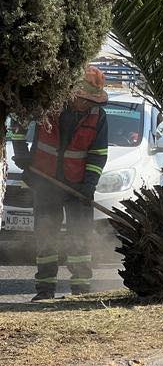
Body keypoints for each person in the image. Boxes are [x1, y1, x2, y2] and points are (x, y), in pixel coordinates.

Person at [13, 67, 109, 300]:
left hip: (78, 187)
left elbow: (98, 154)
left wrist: (89, 186)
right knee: (46, 236)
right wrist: (22, 153)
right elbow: (19, 122)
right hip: (45, 182)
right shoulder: (50, 105)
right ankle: (45, 290)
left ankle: (81, 290)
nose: (88, 105)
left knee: (80, 237)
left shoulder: (98, 116)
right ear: (73, 94)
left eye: (92, 101)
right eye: (85, 100)